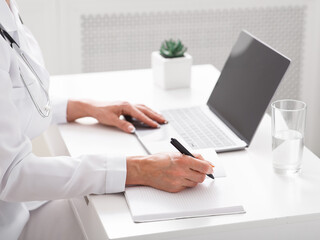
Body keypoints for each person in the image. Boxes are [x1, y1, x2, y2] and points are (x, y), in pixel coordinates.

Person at [0, 0, 214, 239]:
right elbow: (11, 173)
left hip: (25, 208)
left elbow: (17, 101)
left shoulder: (8, 7)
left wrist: (86, 108)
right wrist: (140, 169)